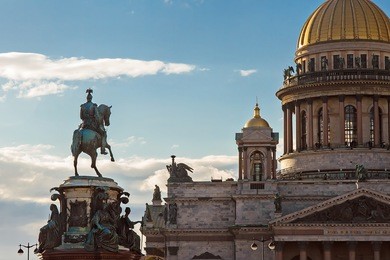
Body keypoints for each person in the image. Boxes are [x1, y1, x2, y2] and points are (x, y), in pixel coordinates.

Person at [80, 88, 107, 155]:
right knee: (103, 133)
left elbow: (81, 117)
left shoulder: (82, 106)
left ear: (87, 98)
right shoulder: (94, 106)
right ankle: (103, 150)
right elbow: (97, 116)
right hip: (92, 124)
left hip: (84, 125)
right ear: (91, 98)